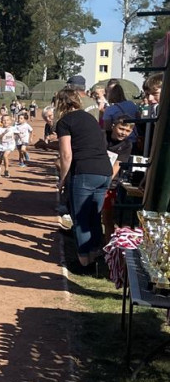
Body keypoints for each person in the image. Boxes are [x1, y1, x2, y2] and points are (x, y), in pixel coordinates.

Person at [56, 87, 113, 269]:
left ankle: (84, 262)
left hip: (84, 171)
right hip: (104, 169)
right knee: (94, 216)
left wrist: (63, 179)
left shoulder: (64, 122)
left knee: (81, 218)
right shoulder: (90, 118)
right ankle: (97, 256)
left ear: (60, 104)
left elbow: (66, 154)